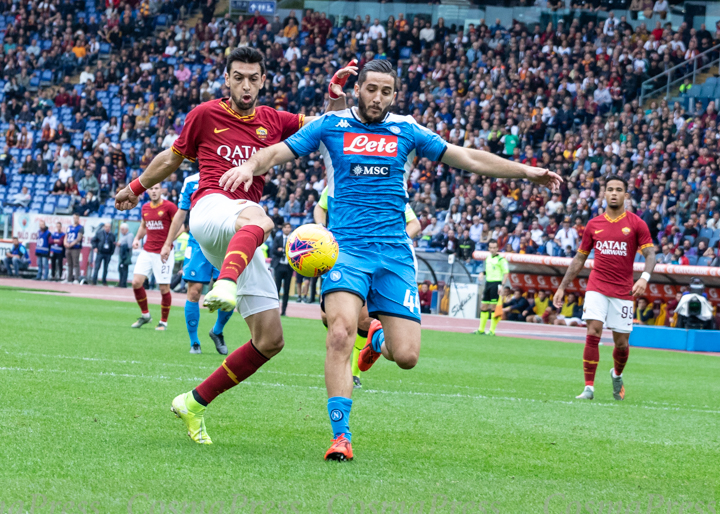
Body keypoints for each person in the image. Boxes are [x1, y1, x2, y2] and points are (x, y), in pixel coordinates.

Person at [224, 59, 562, 460]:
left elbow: (467, 158)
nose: (378, 98)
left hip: (395, 254)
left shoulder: (407, 130)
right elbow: (277, 152)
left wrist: (526, 172)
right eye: (371, 89)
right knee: (339, 332)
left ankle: (378, 339)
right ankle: (340, 435)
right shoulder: (331, 126)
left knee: (406, 357)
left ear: (394, 94)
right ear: (359, 89)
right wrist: (249, 164)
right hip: (344, 250)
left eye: (386, 91)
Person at [114, 47, 354, 446]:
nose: (246, 84)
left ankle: (192, 402)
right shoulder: (205, 114)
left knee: (270, 339)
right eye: (238, 77)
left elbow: (334, 125)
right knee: (260, 217)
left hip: (240, 233)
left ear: (263, 81)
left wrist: (338, 100)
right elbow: (171, 158)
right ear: (227, 80)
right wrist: (134, 188)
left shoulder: (276, 120)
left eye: (253, 77)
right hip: (210, 209)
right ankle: (224, 285)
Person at [553, 176, 655, 401]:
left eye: (619, 190)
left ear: (626, 195)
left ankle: (617, 374)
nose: (615, 193)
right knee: (593, 332)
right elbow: (579, 259)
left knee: (621, 344)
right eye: (610, 189)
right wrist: (562, 287)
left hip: (623, 291)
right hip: (596, 286)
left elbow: (650, 253)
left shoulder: (637, 223)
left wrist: (644, 278)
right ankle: (588, 387)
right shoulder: (593, 224)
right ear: (604, 194)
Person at [314, 184, 421, 390]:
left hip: (384, 259)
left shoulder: (385, 187)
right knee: (328, 317)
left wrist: (396, 241)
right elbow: (320, 207)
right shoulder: (338, 182)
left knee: (362, 320)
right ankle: (375, 341)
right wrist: (322, 228)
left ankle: (354, 372)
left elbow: (414, 223)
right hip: (343, 254)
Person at [161, 173, 233, 354]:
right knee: (194, 292)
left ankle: (217, 331)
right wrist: (168, 243)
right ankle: (194, 342)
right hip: (197, 244)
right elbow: (180, 214)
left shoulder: (231, 175)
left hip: (224, 242)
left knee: (228, 292)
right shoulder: (191, 181)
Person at [130, 183, 177, 331]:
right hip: (147, 251)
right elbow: (144, 226)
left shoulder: (169, 207)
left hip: (163, 253)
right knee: (136, 282)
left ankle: (163, 322)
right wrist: (137, 238)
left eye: (156, 188)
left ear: (162, 190)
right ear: (148, 192)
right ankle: (145, 315)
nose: (154, 191)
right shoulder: (145, 207)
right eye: (151, 189)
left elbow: (181, 226)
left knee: (164, 288)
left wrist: (167, 244)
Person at [474, 240, 510, 335]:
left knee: (494, 307)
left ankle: (492, 330)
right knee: (484, 306)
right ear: (489, 248)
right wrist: (482, 273)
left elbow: (506, 273)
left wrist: (502, 285)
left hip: (496, 284)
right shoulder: (488, 258)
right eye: (491, 247)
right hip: (488, 283)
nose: (493, 249)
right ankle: (481, 329)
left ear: (497, 248)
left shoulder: (501, 260)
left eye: (495, 247)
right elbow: (487, 270)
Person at [270, 222, 293, 316]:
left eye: (289, 227)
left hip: (288, 267)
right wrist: (283, 252)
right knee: (277, 289)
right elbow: (274, 251)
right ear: (282, 228)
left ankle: (284, 311)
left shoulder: (293, 240)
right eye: (285, 227)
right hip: (279, 265)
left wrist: (282, 250)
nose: (287, 229)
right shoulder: (278, 238)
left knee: (287, 290)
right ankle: (275, 310)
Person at [64, 214, 84, 284]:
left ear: (78, 219)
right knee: (69, 264)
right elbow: (66, 236)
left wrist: (71, 244)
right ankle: (68, 278)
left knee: (75, 263)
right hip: (68, 246)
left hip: (75, 247)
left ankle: (76, 278)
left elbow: (79, 238)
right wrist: (65, 243)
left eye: (76, 218)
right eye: (74, 218)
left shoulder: (80, 227)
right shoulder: (69, 227)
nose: (75, 219)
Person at [117, 223, 133, 288]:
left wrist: (121, 244)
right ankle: (121, 282)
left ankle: (123, 283)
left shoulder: (130, 235)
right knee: (120, 269)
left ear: (126, 229)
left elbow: (129, 246)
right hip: (121, 255)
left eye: (122, 229)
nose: (121, 231)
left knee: (124, 269)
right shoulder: (122, 236)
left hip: (126, 256)